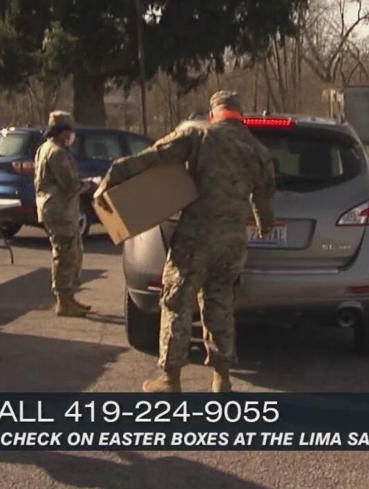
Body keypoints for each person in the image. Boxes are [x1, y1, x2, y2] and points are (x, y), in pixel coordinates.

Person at [96, 90, 276, 392]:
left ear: (213, 114)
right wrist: (264, 222)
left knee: (177, 302)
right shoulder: (257, 149)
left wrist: (114, 175)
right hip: (232, 243)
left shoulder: (199, 135)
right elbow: (265, 195)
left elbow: (155, 156)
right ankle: (222, 377)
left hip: (196, 238)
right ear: (239, 115)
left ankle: (170, 377)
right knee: (220, 303)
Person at [34, 110, 92, 317]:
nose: (71, 136)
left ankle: (69, 297)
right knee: (66, 254)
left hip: (55, 209)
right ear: (60, 132)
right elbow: (70, 185)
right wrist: (89, 184)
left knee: (72, 251)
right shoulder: (58, 153)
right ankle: (64, 300)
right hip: (59, 210)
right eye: (68, 132)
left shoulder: (44, 148)